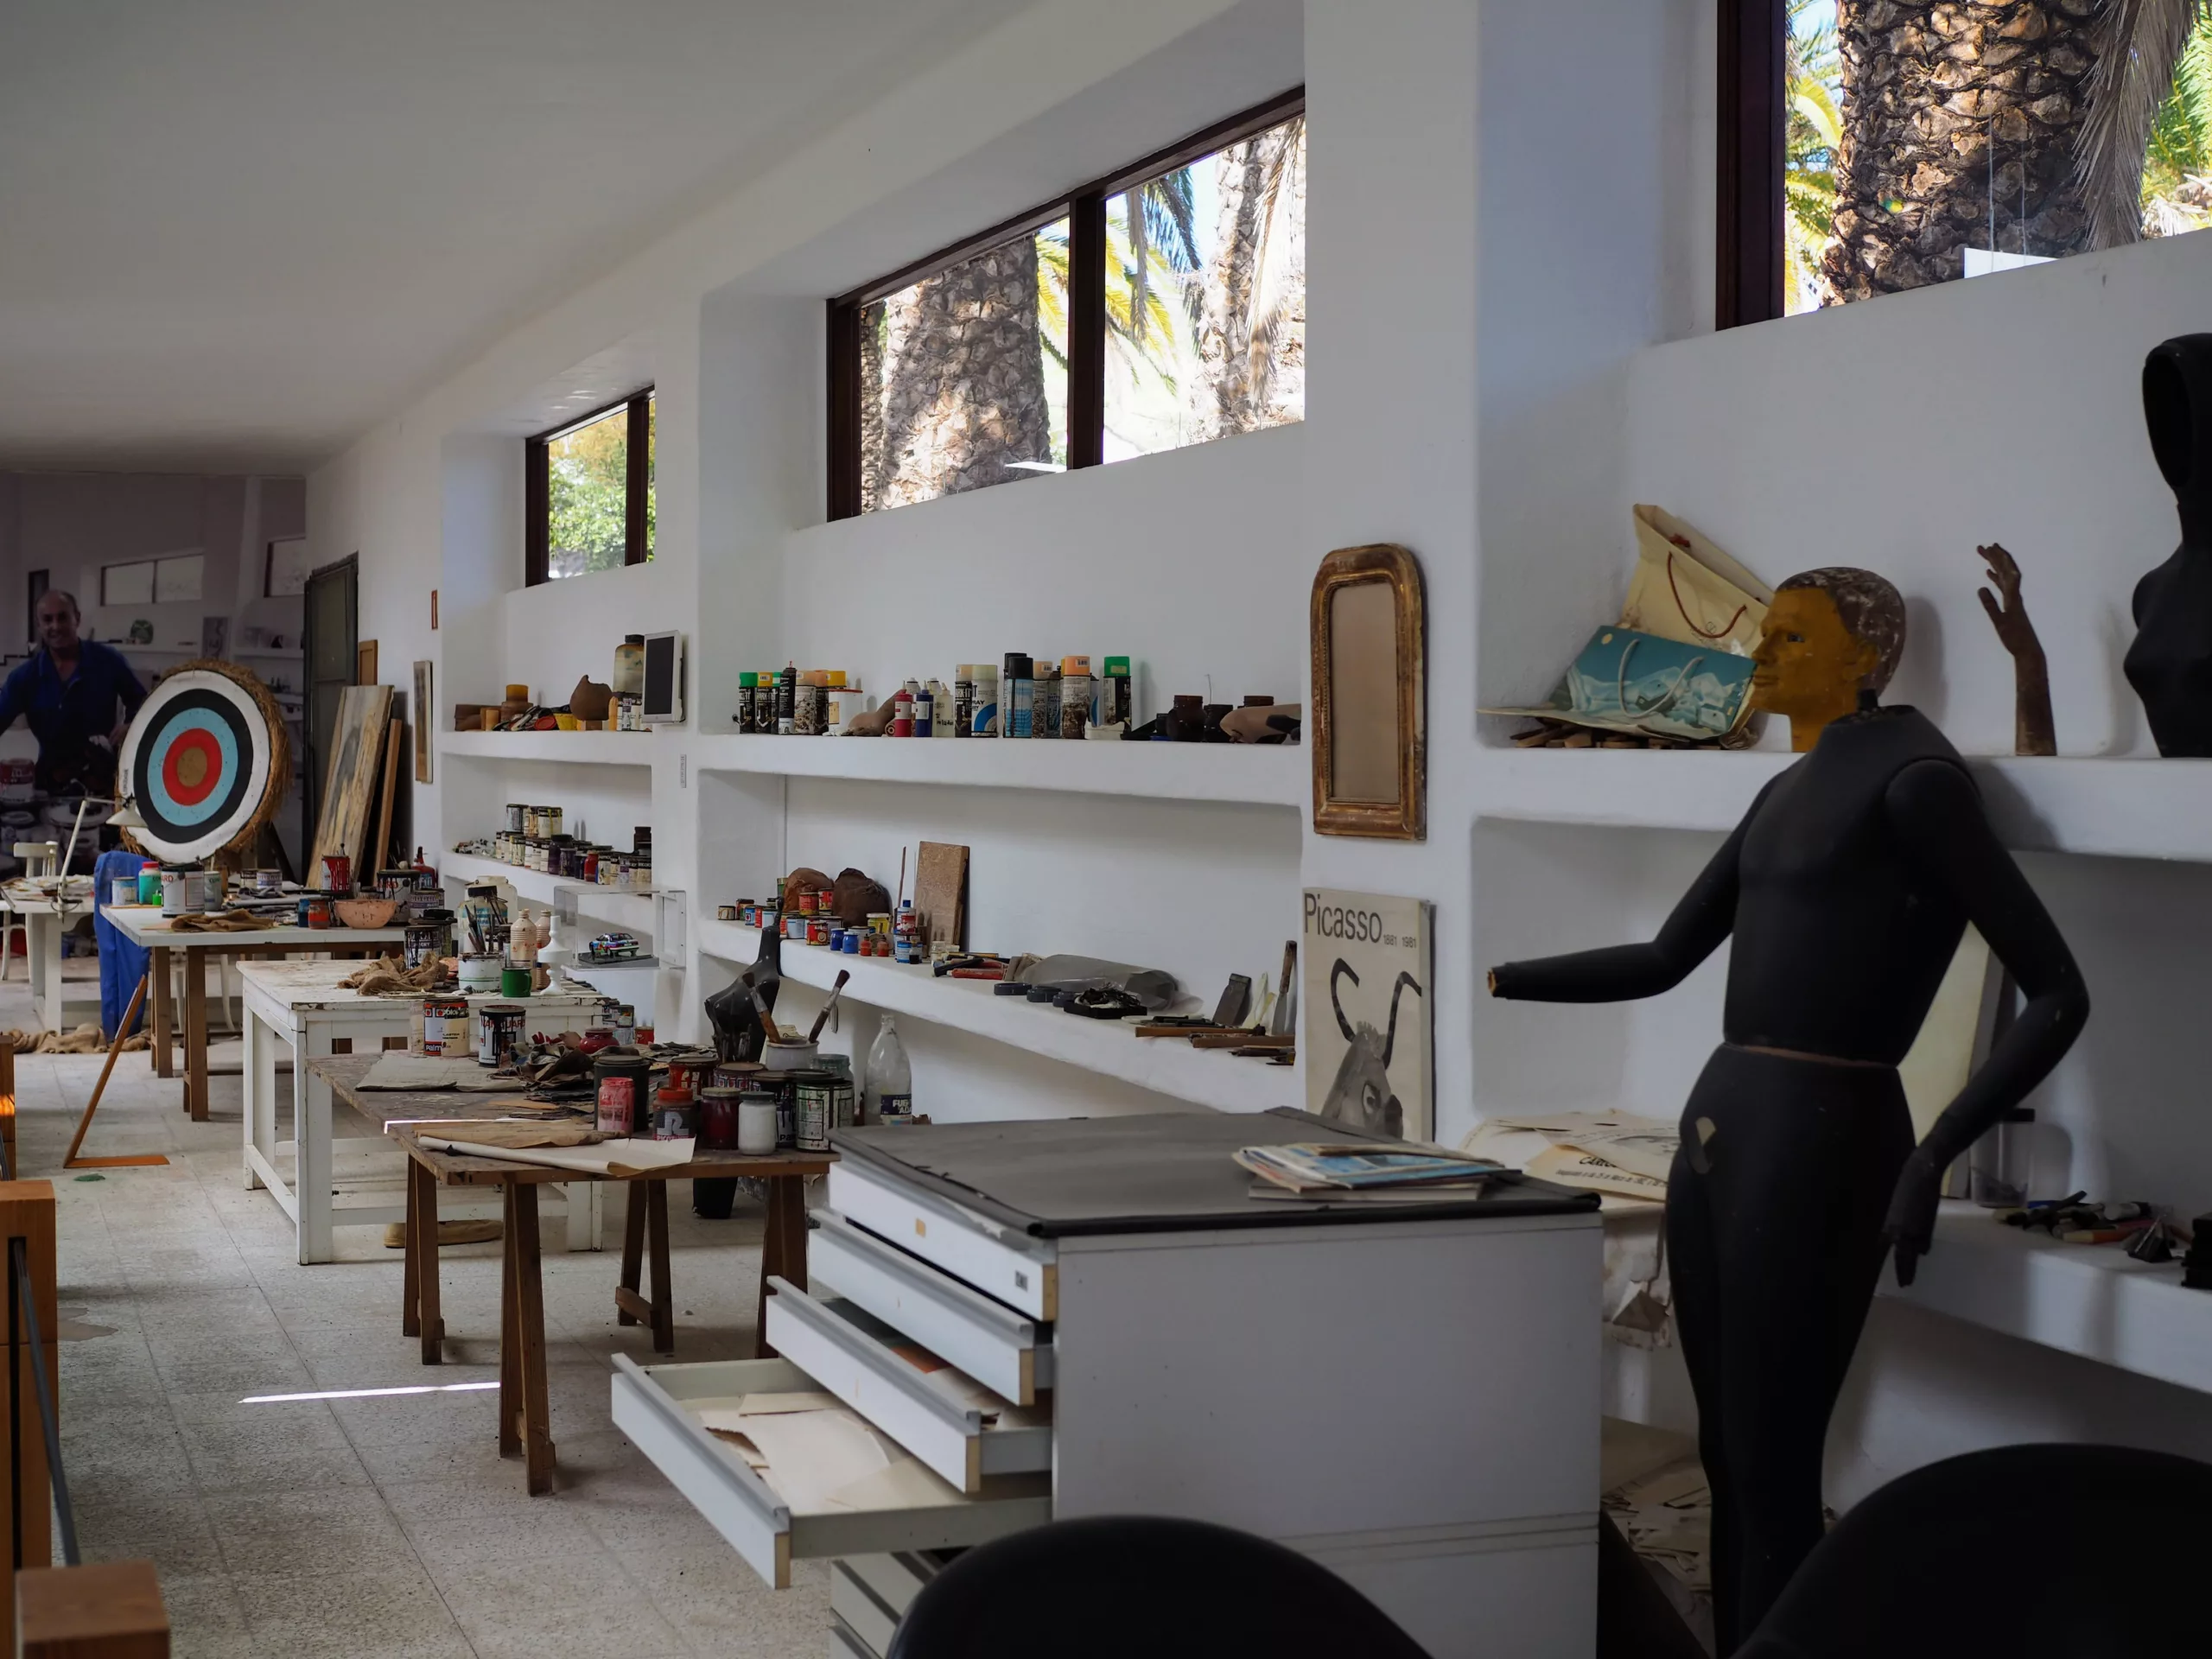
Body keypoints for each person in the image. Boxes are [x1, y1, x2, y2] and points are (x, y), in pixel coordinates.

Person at [1487, 568, 2088, 1653]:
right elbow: (1665, 956)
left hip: (1824, 1136)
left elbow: (2057, 992)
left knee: (1772, 1464)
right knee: (1726, 1455)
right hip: (1727, 1124)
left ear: (1866, 657)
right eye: (1763, 633)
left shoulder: (1916, 784)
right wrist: (1504, 977)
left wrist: (1933, 1155)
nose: (1758, 657)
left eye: (1791, 638)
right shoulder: (1784, 790)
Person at [0, 590, 149, 794]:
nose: (55, 626)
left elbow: (142, 701)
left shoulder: (107, 660)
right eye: (47, 619)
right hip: (51, 782)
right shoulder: (24, 677)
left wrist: (132, 725)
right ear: (39, 625)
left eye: (62, 617)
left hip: (103, 779)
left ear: (76, 618)